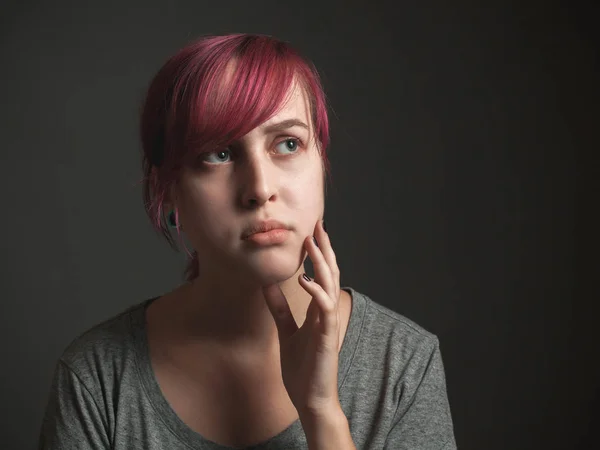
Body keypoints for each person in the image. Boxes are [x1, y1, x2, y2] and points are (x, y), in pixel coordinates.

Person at [38, 33, 457, 449]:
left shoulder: (402, 363)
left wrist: (321, 410)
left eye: (288, 144)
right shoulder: (97, 377)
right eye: (218, 154)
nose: (259, 188)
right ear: (168, 191)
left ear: (321, 167)